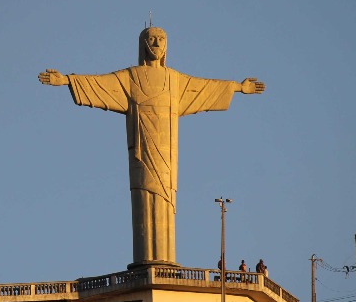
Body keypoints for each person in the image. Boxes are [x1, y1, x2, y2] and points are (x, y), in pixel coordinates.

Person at [39, 26, 265, 267]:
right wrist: (65, 81)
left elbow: (204, 88)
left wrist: (238, 87)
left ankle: (164, 263)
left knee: (166, 201)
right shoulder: (131, 77)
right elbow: (100, 84)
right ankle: (147, 264)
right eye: (151, 39)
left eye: (161, 39)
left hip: (167, 156)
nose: (156, 43)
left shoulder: (175, 80)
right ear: (142, 44)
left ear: (167, 46)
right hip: (141, 153)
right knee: (144, 199)